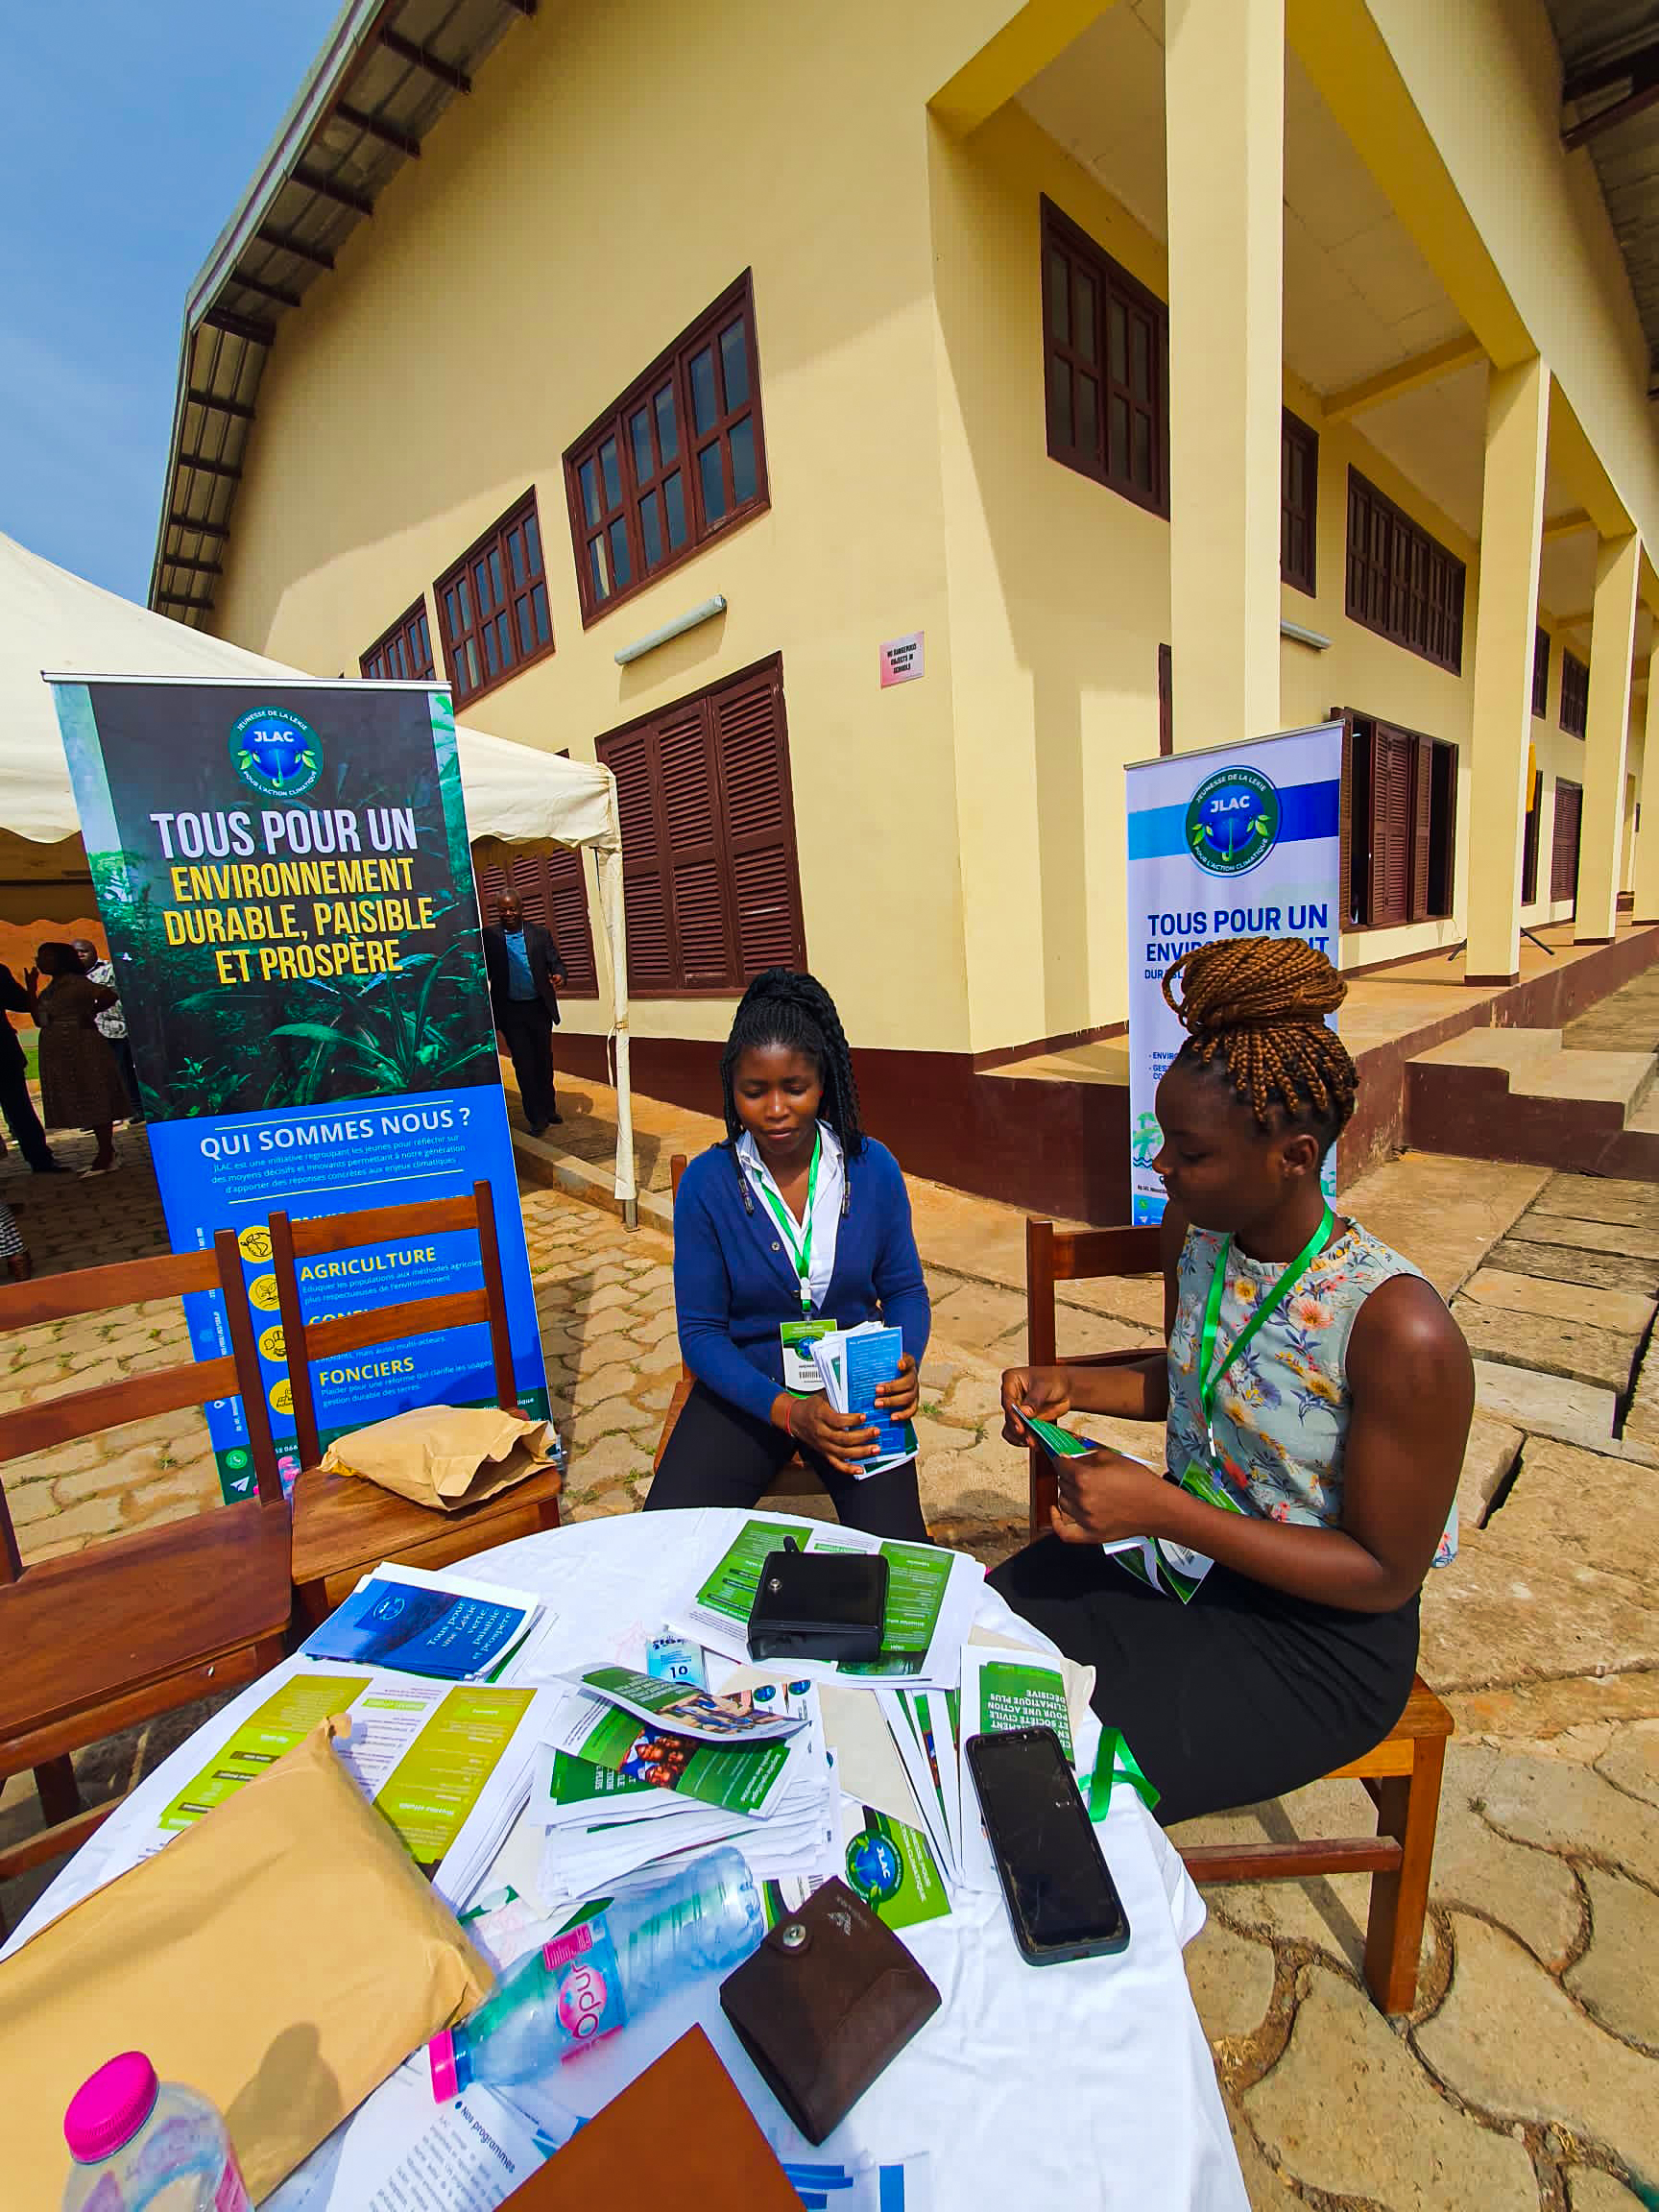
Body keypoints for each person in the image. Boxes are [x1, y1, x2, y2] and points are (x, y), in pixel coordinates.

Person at [992, 936, 1473, 1826]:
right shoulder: (1197, 1238)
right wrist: (1074, 1387)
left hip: (1318, 1641)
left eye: (1188, 1151)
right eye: (1163, 1142)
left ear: (1294, 1156)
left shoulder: (1400, 1332)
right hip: (1187, 1559)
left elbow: (1379, 1575)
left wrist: (1163, 1509)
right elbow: (1204, 1382)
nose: (1161, 1169)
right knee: (977, 1644)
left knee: (1051, 1787)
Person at [646, 969, 930, 1542]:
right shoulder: (707, 1183)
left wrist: (905, 1366)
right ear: (732, 1089)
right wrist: (789, 1412)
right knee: (662, 1550)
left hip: (854, 1392)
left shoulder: (872, 1169)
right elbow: (700, 1334)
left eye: (794, 1087)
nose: (775, 1109)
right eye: (755, 1092)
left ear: (822, 1082)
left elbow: (904, 1291)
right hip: (747, 1390)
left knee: (905, 1568)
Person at [29, 942, 129, 1178]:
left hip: (82, 1045)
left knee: (94, 1093)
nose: (40, 962)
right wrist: (31, 990)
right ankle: (106, 1152)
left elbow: (108, 995)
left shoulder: (76, 983)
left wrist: (90, 1013)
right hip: (60, 1049)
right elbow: (39, 1020)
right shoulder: (51, 989)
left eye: (47, 957)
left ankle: (105, 1154)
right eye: (39, 957)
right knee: (81, 1096)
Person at [482, 892, 566, 1134]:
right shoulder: (490, 937)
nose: (508, 914)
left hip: (538, 1008)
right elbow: (481, 968)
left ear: (521, 908)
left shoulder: (539, 934)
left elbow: (556, 962)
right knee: (523, 1063)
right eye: (503, 910)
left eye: (512, 909)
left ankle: (549, 1108)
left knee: (543, 1061)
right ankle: (536, 1118)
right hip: (510, 1011)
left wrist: (560, 975)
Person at [72, 938, 142, 1123]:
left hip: (115, 1029)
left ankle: (135, 1108)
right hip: (88, 1033)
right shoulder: (70, 979)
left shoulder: (109, 969)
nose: (79, 955)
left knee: (122, 1072)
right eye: (75, 953)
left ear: (94, 952)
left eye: (83, 951)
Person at [0, 963, 61, 1172]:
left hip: (3, 1054)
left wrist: (30, 989)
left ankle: (40, 1158)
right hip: (3, 1053)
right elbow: (21, 1002)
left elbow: (20, 1002)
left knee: (19, 1107)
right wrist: (30, 989)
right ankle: (40, 1159)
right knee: (19, 1107)